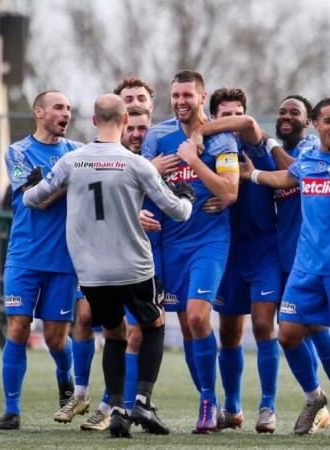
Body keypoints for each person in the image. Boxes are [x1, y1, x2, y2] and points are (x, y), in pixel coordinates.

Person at [24, 94, 195, 437]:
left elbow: (32, 198)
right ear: (123, 120)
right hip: (134, 268)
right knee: (153, 325)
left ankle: (116, 408)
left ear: (93, 120)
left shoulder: (72, 161)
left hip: (92, 272)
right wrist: (187, 197)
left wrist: (33, 182)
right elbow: (176, 211)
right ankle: (142, 403)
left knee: (115, 333)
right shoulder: (136, 164)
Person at [241, 97, 330, 435]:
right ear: (317, 124)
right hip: (305, 267)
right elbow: (288, 177)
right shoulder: (308, 159)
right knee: (288, 333)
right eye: (329, 121)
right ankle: (315, 396)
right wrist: (252, 174)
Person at [141, 70, 240, 434]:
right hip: (170, 244)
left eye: (188, 95)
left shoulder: (223, 139)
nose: (181, 101)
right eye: (176, 95)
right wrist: (153, 169)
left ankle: (208, 402)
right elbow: (138, 183)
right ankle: (205, 399)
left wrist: (193, 160)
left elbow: (230, 193)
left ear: (203, 97)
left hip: (209, 241)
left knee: (199, 318)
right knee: (184, 325)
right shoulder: (157, 135)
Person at [189, 87, 280, 432]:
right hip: (227, 250)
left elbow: (250, 122)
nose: (233, 121)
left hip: (263, 248)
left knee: (261, 325)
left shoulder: (255, 143)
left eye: (236, 113)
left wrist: (202, 129)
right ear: (214, 116)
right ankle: (233, 407)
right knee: (228, 332)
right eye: (224, 115)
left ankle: (268, 406)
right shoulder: (210, 151)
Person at [0, 90, 81, 431]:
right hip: (24, 257)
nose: (66, 113)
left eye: (69, 108)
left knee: (56, 339)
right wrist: (70, 178)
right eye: (59, 107)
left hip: (63, 260)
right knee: (17, 327)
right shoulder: (17, 152)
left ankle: (66, 380)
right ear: (39, 112)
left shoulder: (76, 152)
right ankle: (12, 410)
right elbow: (36, 199)